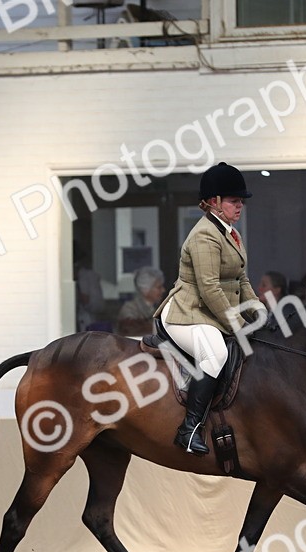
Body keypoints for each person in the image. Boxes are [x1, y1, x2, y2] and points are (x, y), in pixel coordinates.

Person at [153, 162, 259, 456]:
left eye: (241, 202)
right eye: (234, 201)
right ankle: (189, 429)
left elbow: (242, 279)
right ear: (214, 202)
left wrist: (259, 312)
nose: (240, 207)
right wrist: (236, 323)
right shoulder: (204, 235)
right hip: (185, 313)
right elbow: (210, 288)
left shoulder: (230, 233)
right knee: (217, 354)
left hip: (208, 313)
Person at [116, 266, 166, 336]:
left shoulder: (161, 307)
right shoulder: (130, 308)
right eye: (159, 287)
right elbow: (130, 330)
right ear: (145, 290)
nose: (163, 290)